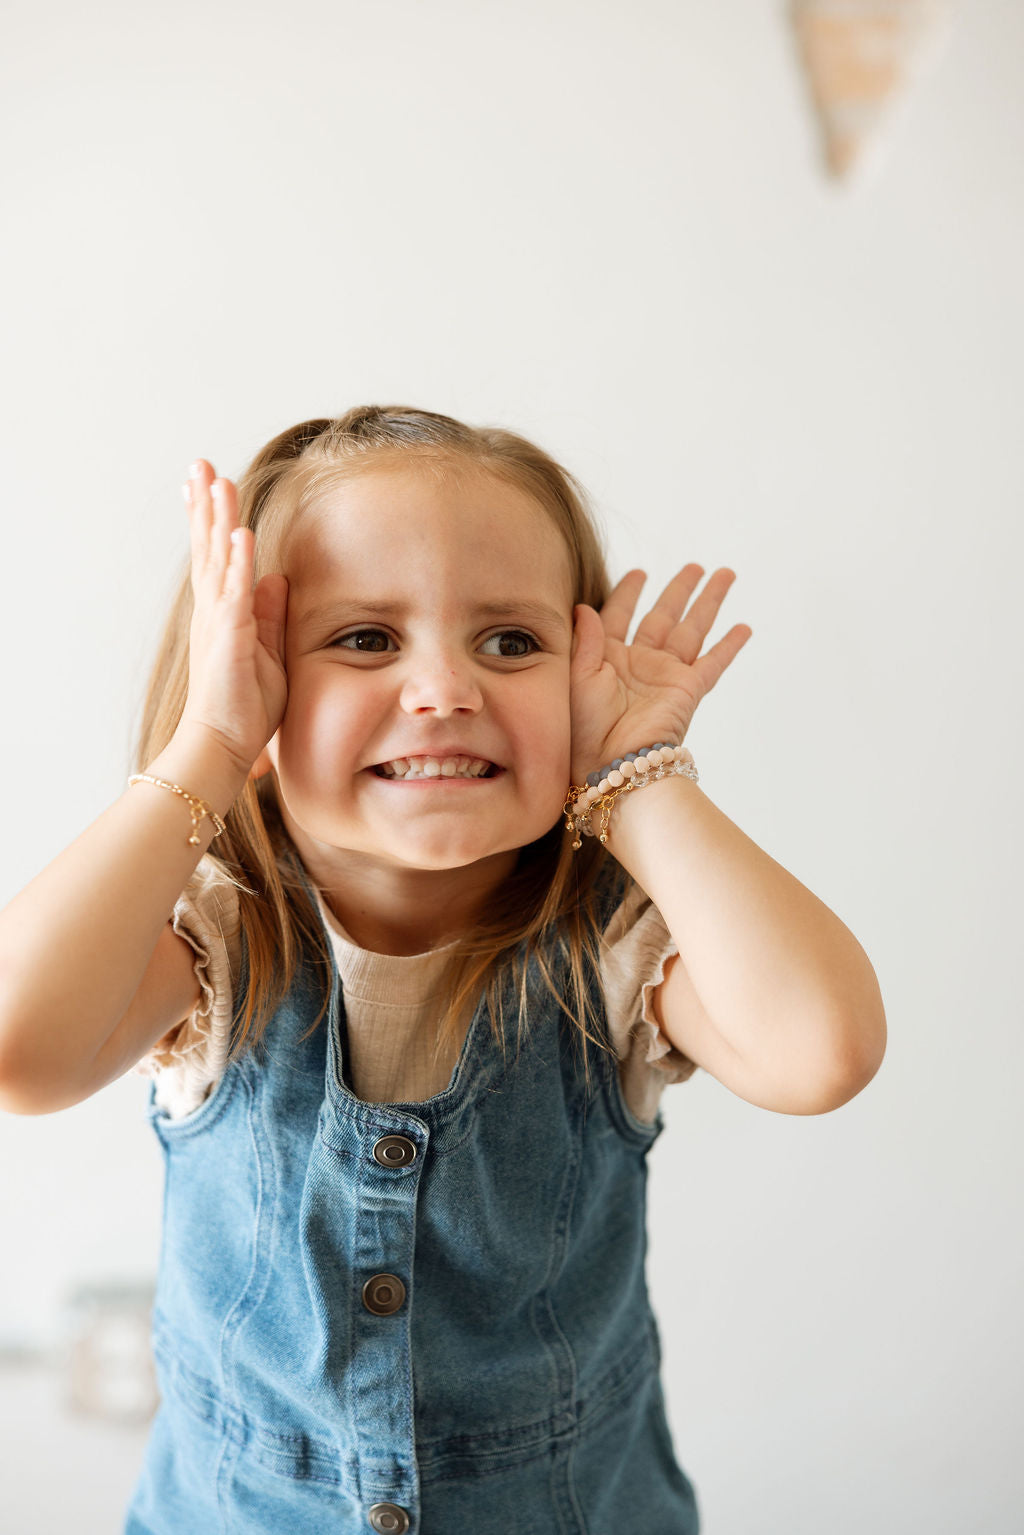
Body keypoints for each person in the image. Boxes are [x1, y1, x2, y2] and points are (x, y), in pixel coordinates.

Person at [0, 405, 887, 1534]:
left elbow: (826, 1049)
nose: (445, 688)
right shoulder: (217, 937)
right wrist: (208, 749)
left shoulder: (610, 946)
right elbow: (17, 1046)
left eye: (510, 642)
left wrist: (638, 773)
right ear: (255, 680)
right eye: (366, 637)